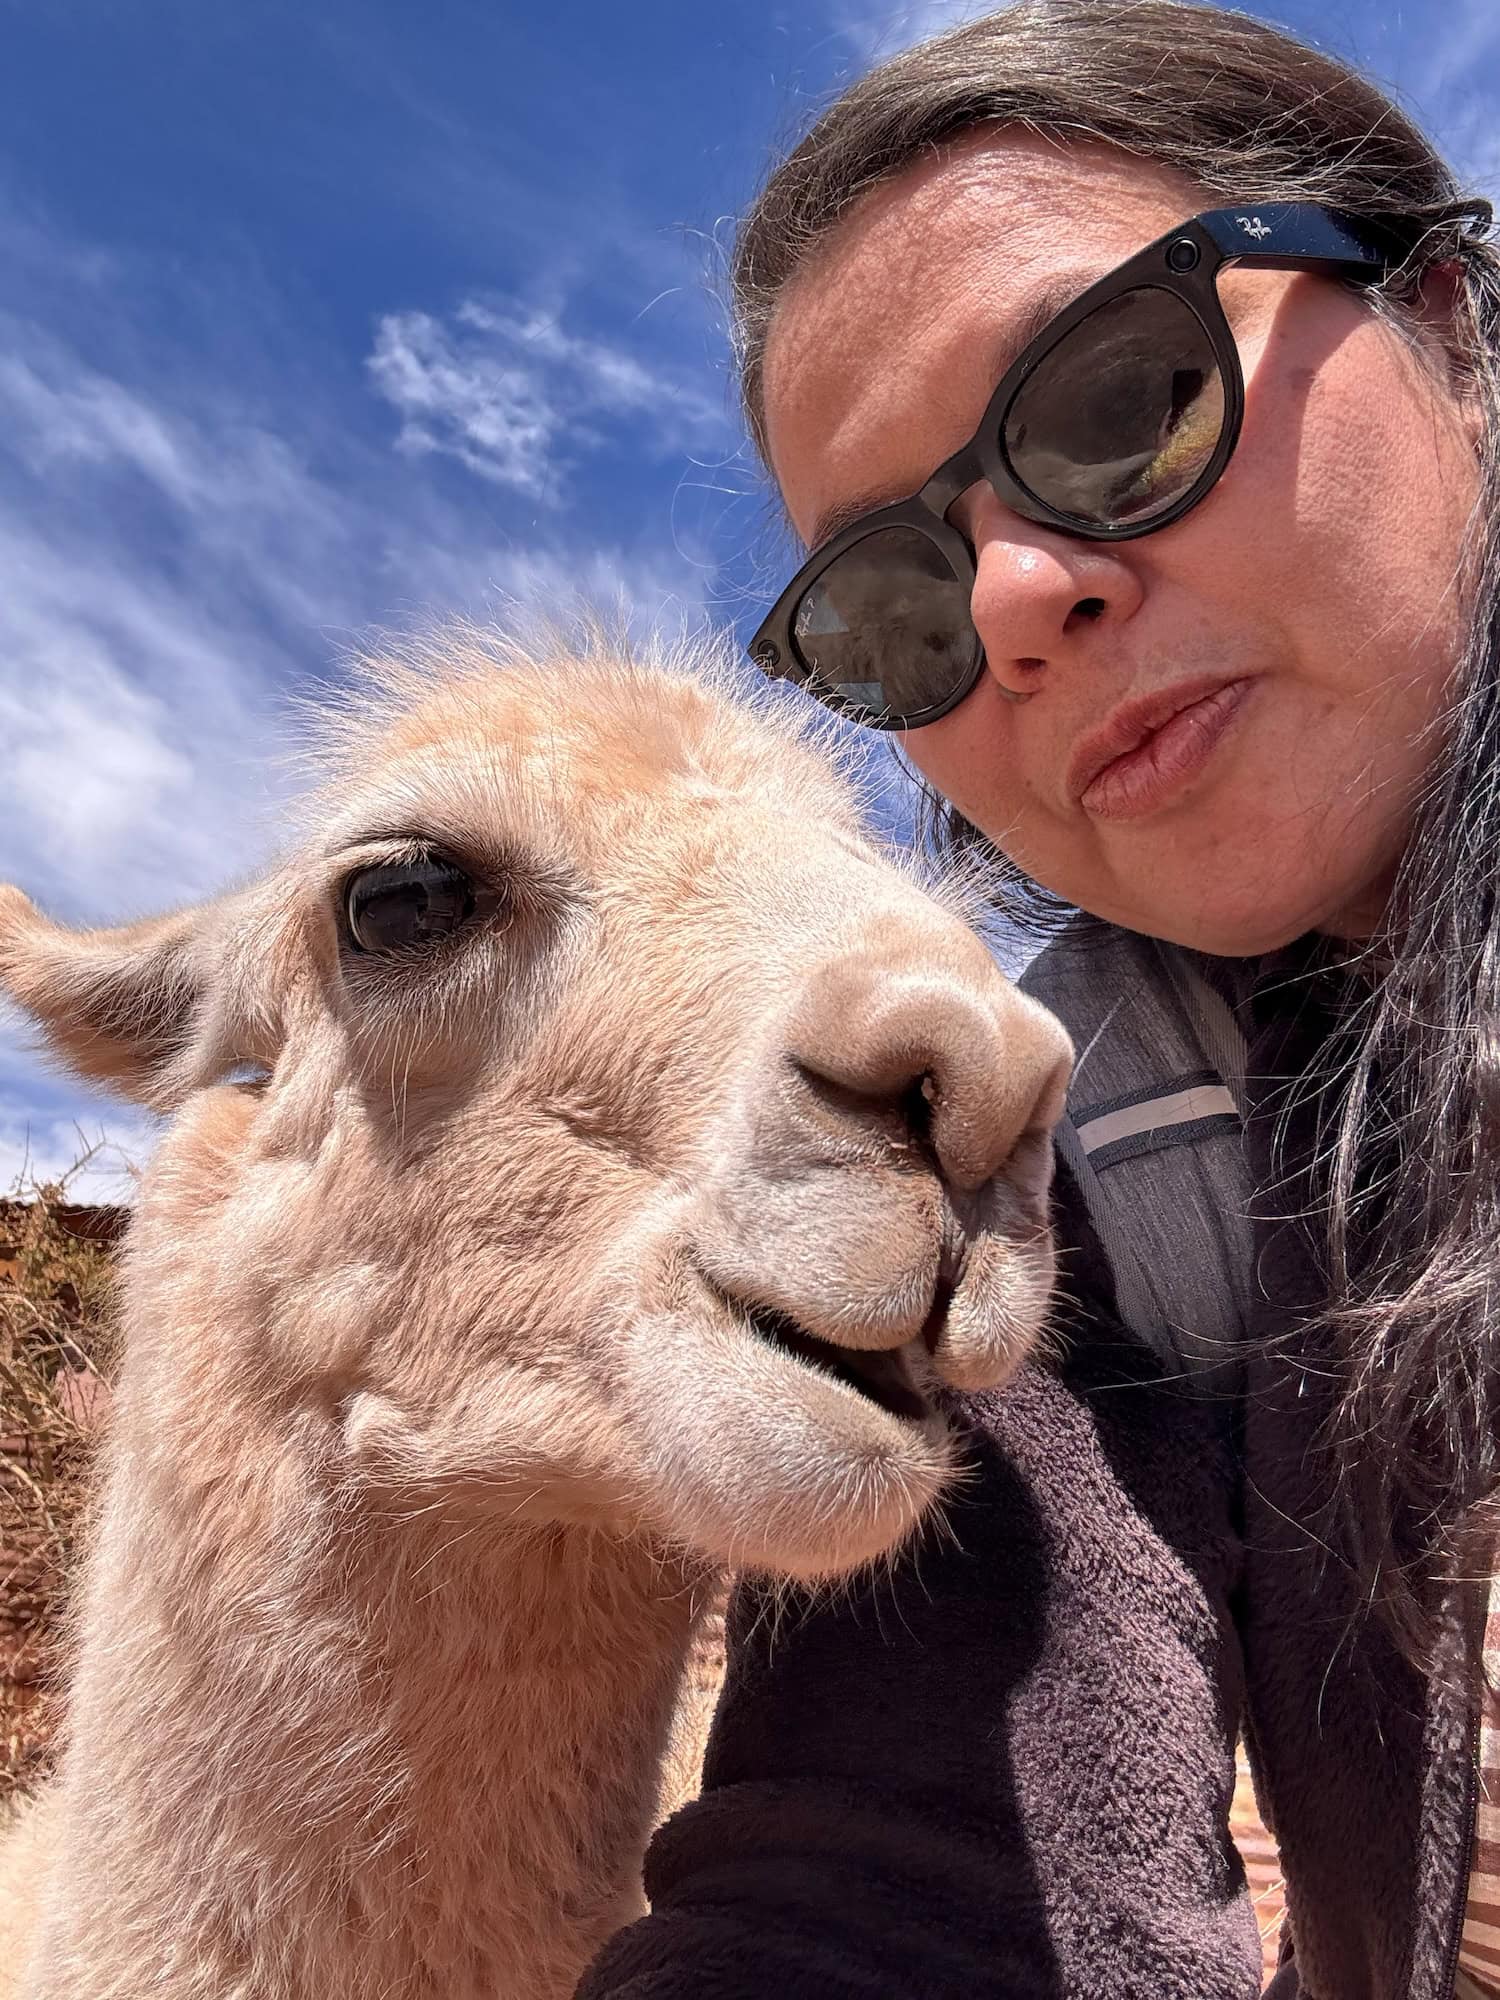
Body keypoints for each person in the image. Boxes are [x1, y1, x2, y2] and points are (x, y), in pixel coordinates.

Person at [579, 4, 1500, 1995]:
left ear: (1446, 323)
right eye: (894, 599)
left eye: (1121, 397)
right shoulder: (1084, 1159)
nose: (1012, 602)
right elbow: (900, 1872)